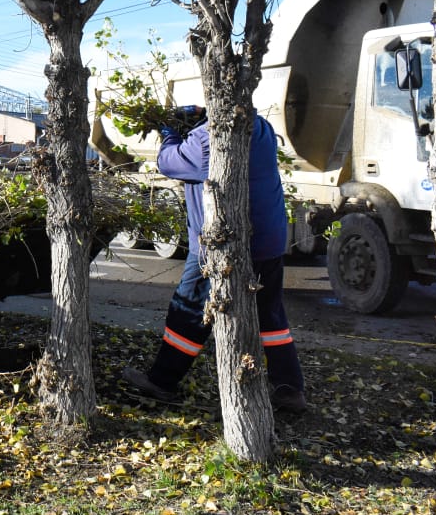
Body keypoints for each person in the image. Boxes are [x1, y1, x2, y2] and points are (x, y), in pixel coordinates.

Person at [121, 106, 307, 414]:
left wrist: (169, 132)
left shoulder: (211, 139)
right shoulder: (259, 128)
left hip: (222, 244)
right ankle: (290, 389)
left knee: (189, 309)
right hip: (269, 240)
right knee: (270, 316)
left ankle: (162, 381)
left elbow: (168, 162)